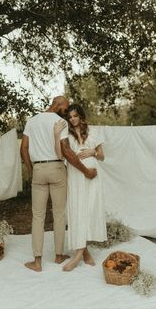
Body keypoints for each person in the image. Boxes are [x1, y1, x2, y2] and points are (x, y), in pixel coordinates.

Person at [20, 96, 97, 272]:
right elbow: (66, 150)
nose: (67, 111)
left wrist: (32, 170)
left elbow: (23, 149)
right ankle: (59, 255)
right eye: (66, 107)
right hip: (56, 168)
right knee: (59, 214)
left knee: (38, 216)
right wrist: (85, 171)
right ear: (58, 105)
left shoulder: (32, 121)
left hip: (38, 169)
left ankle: (37, 262)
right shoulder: (59, 122)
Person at [54, 104, 107, 271]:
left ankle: (80, 254)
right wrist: (56, 135)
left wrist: (92, 152)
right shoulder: (66, 134)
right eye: (70, 117)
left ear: (81, 116)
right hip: (76, 174)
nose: (73, 119)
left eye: (75, 116)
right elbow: (59, 154)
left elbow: (102, 156)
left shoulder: (92, 131)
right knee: (78, 210)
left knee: (89, 210)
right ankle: (82, 254)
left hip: (92, 175)